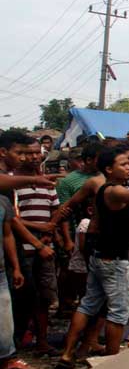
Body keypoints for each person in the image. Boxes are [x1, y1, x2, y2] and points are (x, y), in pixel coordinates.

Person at [56, 146, 129, 369]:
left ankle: (68, 354)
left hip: (101, 258)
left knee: (88, 305)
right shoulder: (113, 190)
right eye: (123, 163)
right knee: (118, 313)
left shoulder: (105, 190)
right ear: (109, 169)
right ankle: (111, 364)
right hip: (114, 261)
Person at [12, 140, 67, 355]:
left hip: (45, 246)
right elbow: (13, 219)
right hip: (21, 247)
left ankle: (41, 341)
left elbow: (56, 210)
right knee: (23, 297)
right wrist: (41, 228)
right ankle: (16, 344)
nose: (34, 157)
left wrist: (50, 234)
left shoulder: (47, 182)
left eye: (37, 153)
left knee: (44, 297)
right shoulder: (13, 182)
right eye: (29, 153)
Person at [0, 192, 27, 369]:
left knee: (5, 327)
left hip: (0, 272)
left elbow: (7, 235)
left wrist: (16, 267)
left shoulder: (3, 201)